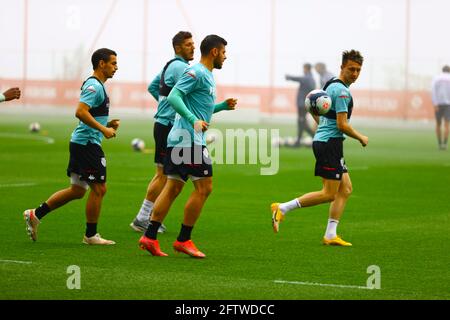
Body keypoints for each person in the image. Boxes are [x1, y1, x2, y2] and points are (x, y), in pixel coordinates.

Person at [138, 34, 237, 258]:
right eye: (223, 52)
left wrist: (221, 106)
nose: (225, 56)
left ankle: (149, 237)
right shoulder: (197, 72)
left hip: (183, 138)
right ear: (214, 52)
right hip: (188, 139)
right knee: (204, 188)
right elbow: (173, 97)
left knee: (173, 187)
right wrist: (192, 120)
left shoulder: (207, 76)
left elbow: (201, 108)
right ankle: (183, 240)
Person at [271, 50, 369, 246]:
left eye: (358, 70)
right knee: (329, 193)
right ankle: (282, 208)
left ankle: (331, 234)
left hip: (327, 142)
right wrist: (360, 137)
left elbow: (318, 110)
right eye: (351, 69)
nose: (355, 73)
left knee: (346, 188)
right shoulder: (342, 92)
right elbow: (342, 125)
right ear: (342, 67)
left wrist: (323, 126)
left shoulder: (330, 84)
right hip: (329, 144)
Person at [23, 48, 119, 245]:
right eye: (113, 63)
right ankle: (91, 236)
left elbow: (88, 115)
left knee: (77, 190)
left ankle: (35, 214)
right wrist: (103, 129)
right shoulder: (94, 86)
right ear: (101, 64)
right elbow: (80, 112)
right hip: (87, 145)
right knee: (99, 189)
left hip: (81, 143)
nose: (116, 68)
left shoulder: (98, 85)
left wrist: (106, 126)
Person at [130, 31, 195, 233]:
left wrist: (163, 104)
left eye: (194, 44)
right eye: (188, 45)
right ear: (178, 48)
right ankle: (142, 218)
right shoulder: (181, 67)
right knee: (164, 175)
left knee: (164, 174)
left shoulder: (169, 65)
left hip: (163, 123)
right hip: (168, 125)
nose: (193, 47)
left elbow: (152, 87)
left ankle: (145, 217)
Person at [285, 63, 316, 146]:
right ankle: (298, 141)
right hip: (304, 104)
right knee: (301, 122)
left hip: (303, 104)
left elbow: (298, 78)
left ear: (307, 69)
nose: (303, 70)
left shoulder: (308, 78)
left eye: (304, 68)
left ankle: (315, 138)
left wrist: (289, 77)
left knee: (302, 123)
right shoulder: (311, 78)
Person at [431, 65, 450, 150]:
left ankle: (439, 143)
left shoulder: (436, 78)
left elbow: (433, 90)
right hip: (448, 104)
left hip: (438, 103)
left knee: (438, 124)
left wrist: (435, 103)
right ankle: (445, 144)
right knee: (447, 124)